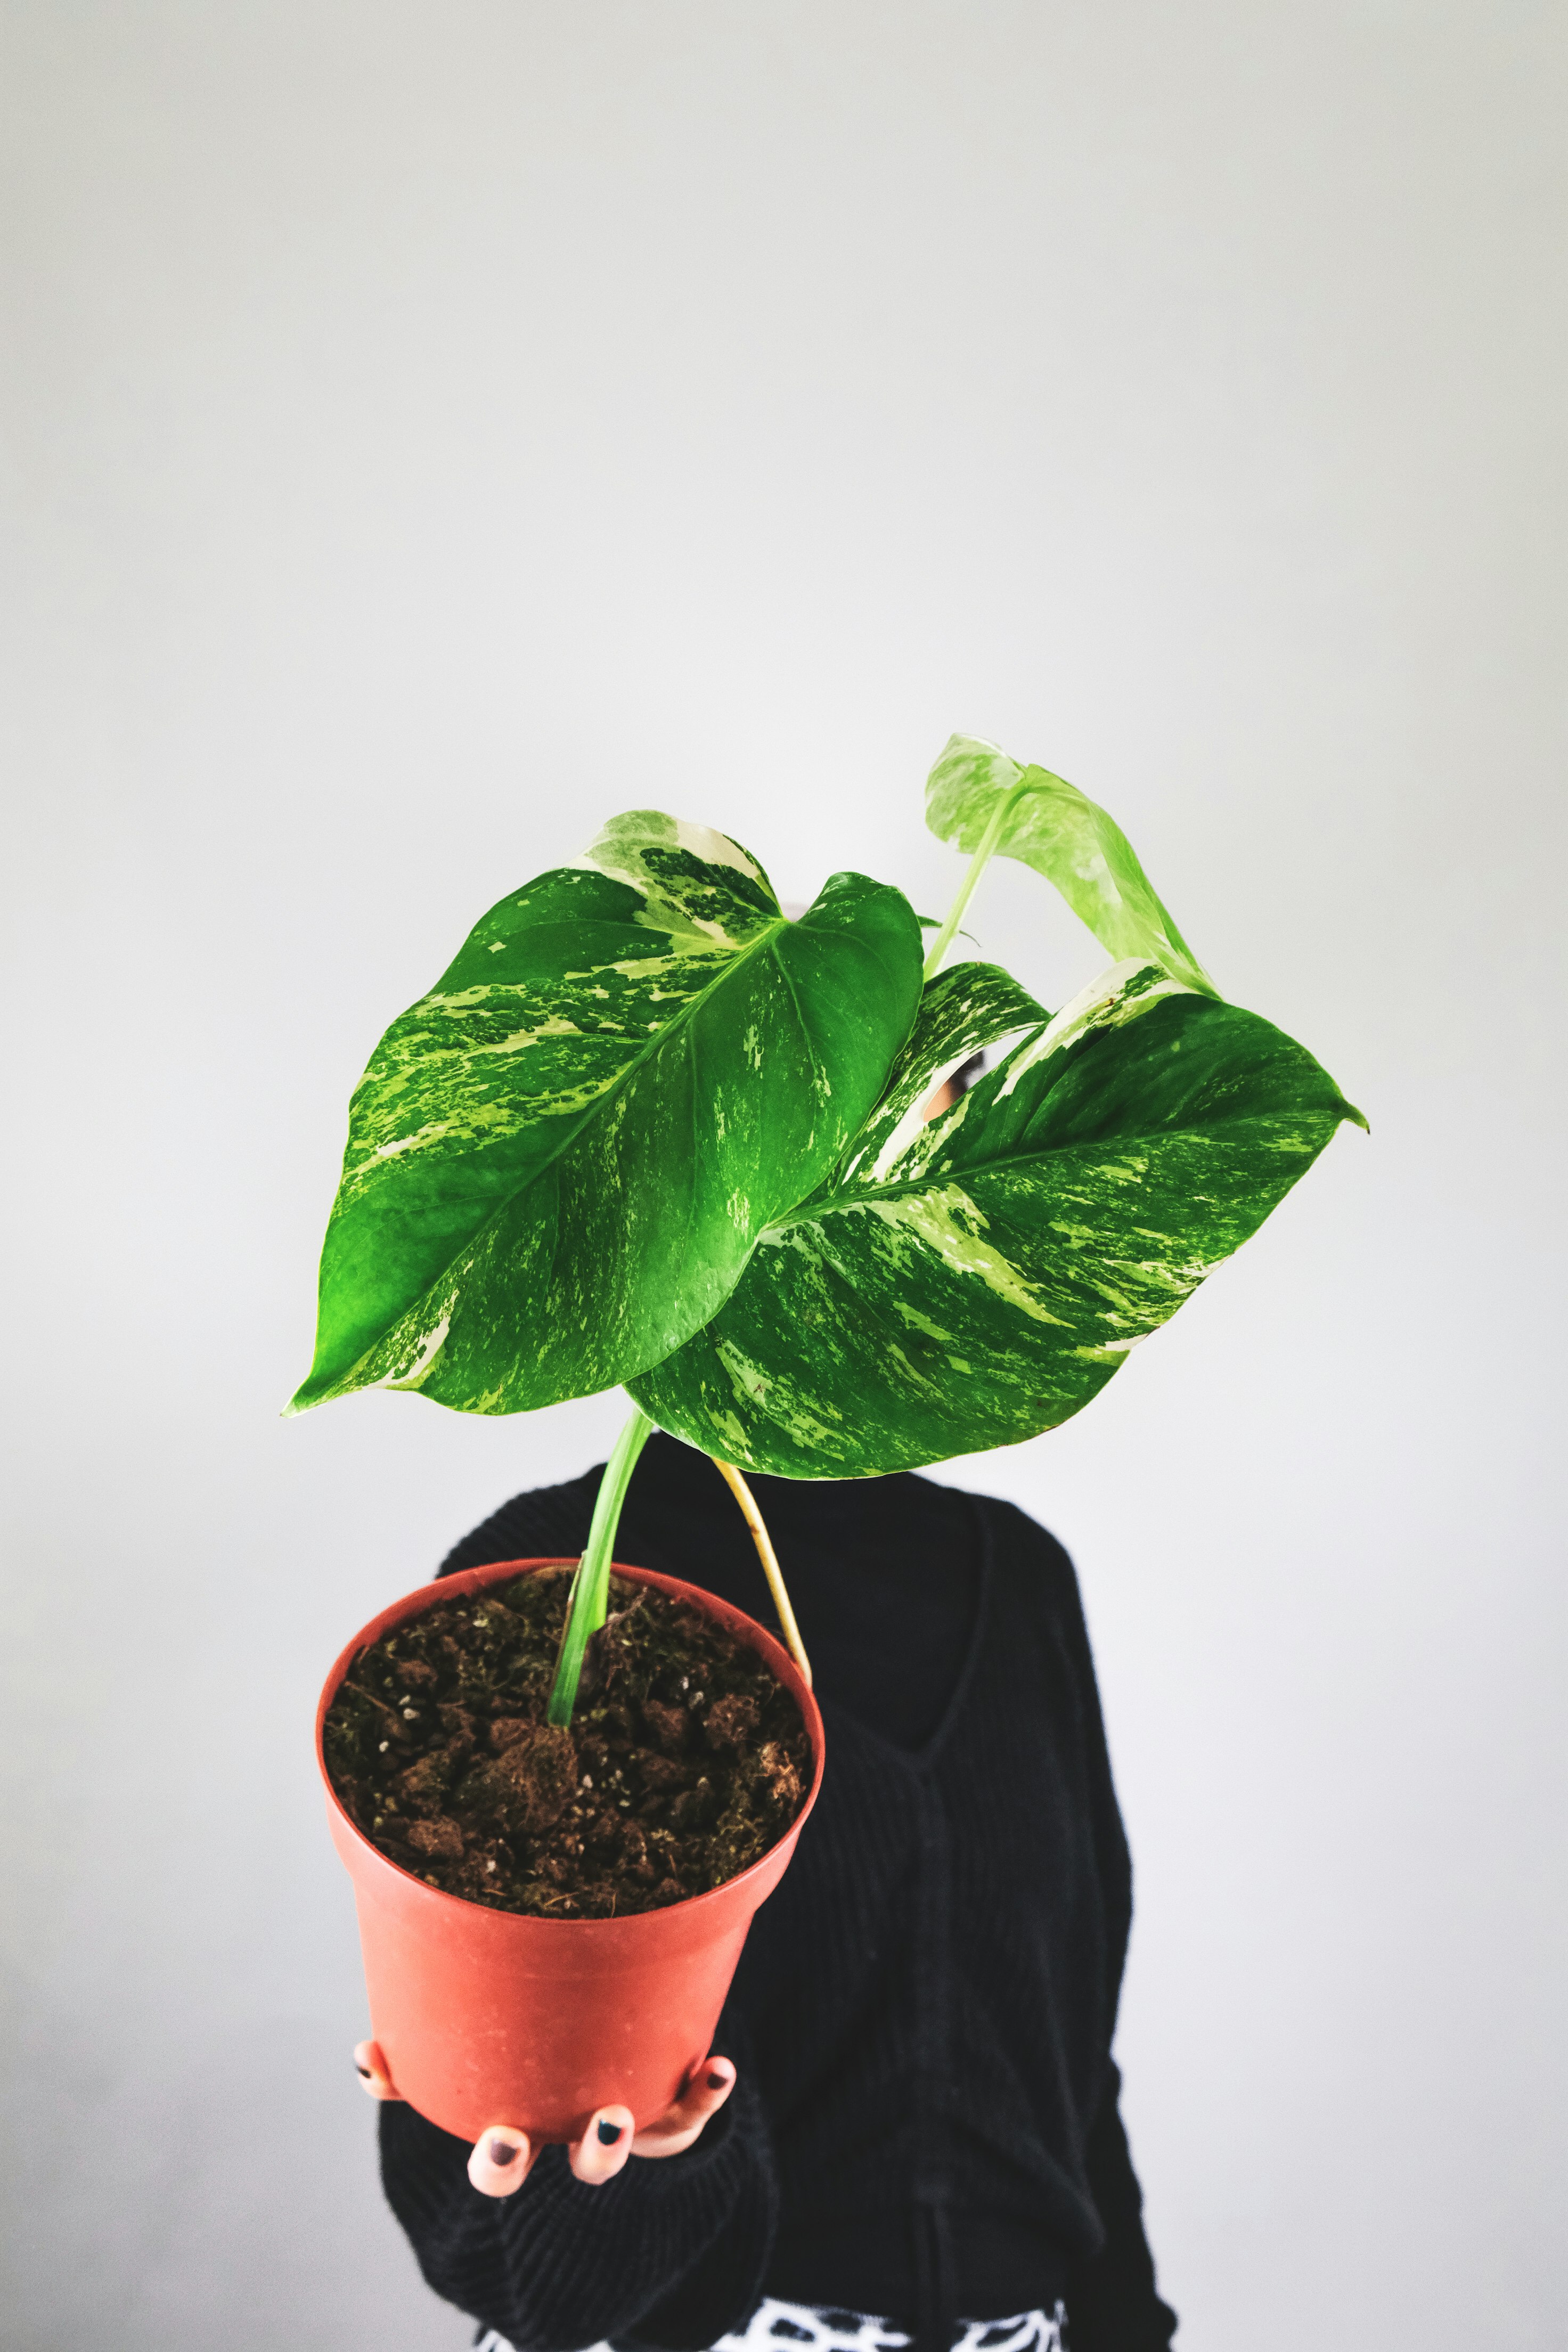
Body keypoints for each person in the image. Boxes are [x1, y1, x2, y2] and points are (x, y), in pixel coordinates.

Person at [353, 1068, 1178, 2352]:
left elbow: (1076, 2059)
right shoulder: (550, 1587)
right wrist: (646, 2169)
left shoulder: (1021, 1582)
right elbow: (491, 2213)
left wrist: (1129, 2330)